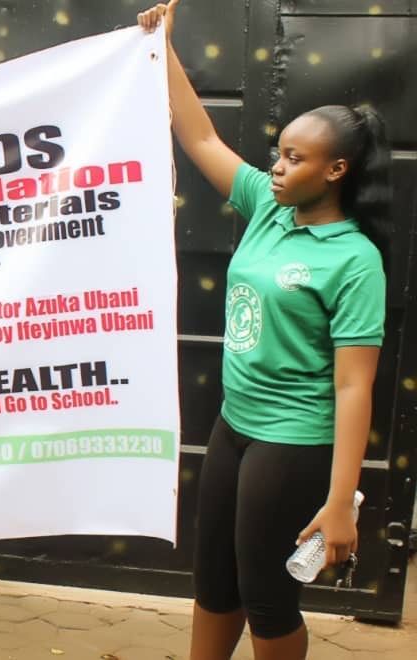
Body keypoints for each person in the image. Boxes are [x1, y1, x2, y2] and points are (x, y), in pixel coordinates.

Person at [139, 3, 390, 659]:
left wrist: (340, 502)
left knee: (266, 594)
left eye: (295, 158)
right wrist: (161, 47)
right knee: (213, 581)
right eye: (277, 154)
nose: (276, 167)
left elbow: (354, 387)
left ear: (335, 171)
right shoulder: (265, 208)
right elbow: (198, 139)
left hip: (294, 441)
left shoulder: (354, 259)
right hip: (236, 425)